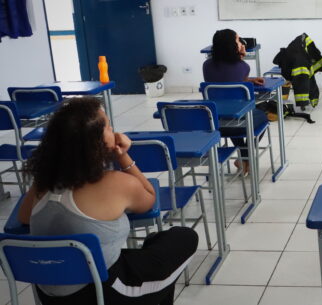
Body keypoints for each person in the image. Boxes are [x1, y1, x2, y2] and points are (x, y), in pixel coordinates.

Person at [17, 98, 198, 305]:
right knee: (183, 237)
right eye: (109, 127)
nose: (114, 130)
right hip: (105, 293)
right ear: (97, 142)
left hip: (50, 296)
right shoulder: (116, 183)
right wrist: (123, 156)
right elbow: (149, 198)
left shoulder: (45, 182)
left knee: (153, 251)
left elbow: (24, 218)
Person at [203, 28, 268, 175]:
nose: (241, 43)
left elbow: (226, 79)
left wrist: (249, 80)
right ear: (232, 46)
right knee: (260, 115)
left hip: (215, 122)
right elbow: (236, 74)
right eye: (238, 41)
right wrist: (241, 59)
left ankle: (244, 158)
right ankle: (247, 157)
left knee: (230, 115)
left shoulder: (206, 65)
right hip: (239, 122)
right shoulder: (243, 66)